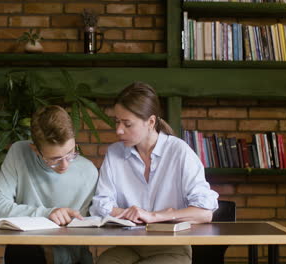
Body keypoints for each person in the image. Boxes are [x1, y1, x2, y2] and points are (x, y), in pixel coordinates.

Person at [90, 82, 219, 264]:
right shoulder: (114, 153)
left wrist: (154, 216)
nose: (119, 130)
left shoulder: (179, 152)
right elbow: (99, 206)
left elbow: (205, 213)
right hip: (128, 245)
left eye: (127, 124)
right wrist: (131, 213)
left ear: (150, 122)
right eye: (117, 122)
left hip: (172, 246)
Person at [0, 105, 98, 264]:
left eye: (71, 153)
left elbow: (81, 236)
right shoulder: (20, 152)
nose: (65, 165)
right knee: (23, 248)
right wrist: (47, 214)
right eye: (54, 159)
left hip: (71, 255)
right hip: (27, 251)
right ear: (35, 149)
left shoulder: (88, 171)